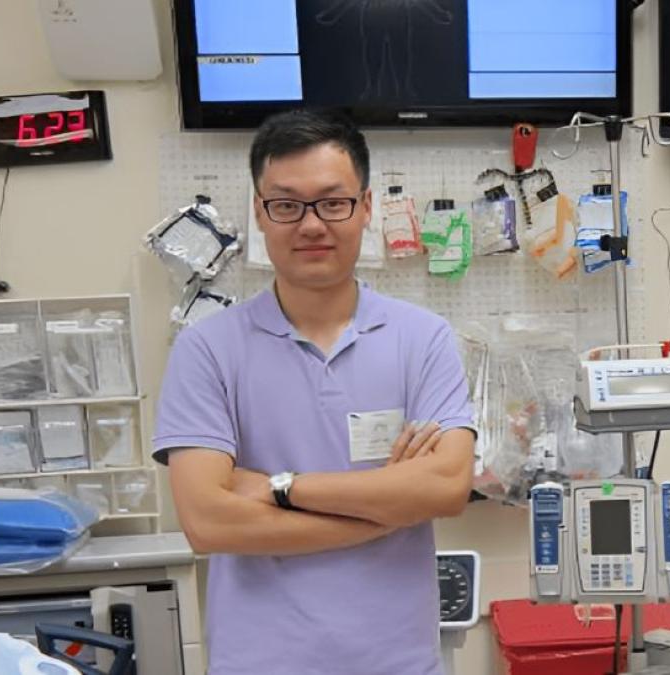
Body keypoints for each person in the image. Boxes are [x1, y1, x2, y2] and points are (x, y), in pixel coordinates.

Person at [153, 109, 475, 674]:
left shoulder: (423, 339)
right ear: (259, 212)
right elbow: (208, 521)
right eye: (286, 205)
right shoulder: (207, 349)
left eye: (333, 202)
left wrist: (281, 486)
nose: (311, 225)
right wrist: (384, 509)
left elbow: (446, 487)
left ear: (366, 207)